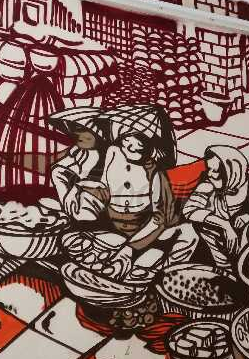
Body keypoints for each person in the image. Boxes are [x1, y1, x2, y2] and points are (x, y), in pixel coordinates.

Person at [65, 105, 198, 272]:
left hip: (144, 231)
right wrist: (81, 188)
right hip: (112, 227)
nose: (132, 145)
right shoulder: (113, 152)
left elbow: (159, 219)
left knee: (187, 234)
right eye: (127, 138)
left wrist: (130, 248)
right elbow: (106, 189)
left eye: (139, 140)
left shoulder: (155, 171)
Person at [183, 145, 249, 267]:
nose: (210, 174)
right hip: (217, 244)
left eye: (215, 171)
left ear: (231, 170)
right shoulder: (207, 186)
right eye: (209, 169)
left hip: (245, 243)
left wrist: (248, 216)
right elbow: (189, 210)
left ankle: (248, 267)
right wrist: (225, 224)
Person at [48, 106, 106, 205]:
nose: (77, 134)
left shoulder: (112, 153)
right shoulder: (76, 154)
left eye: (81, 129)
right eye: (72, 128)